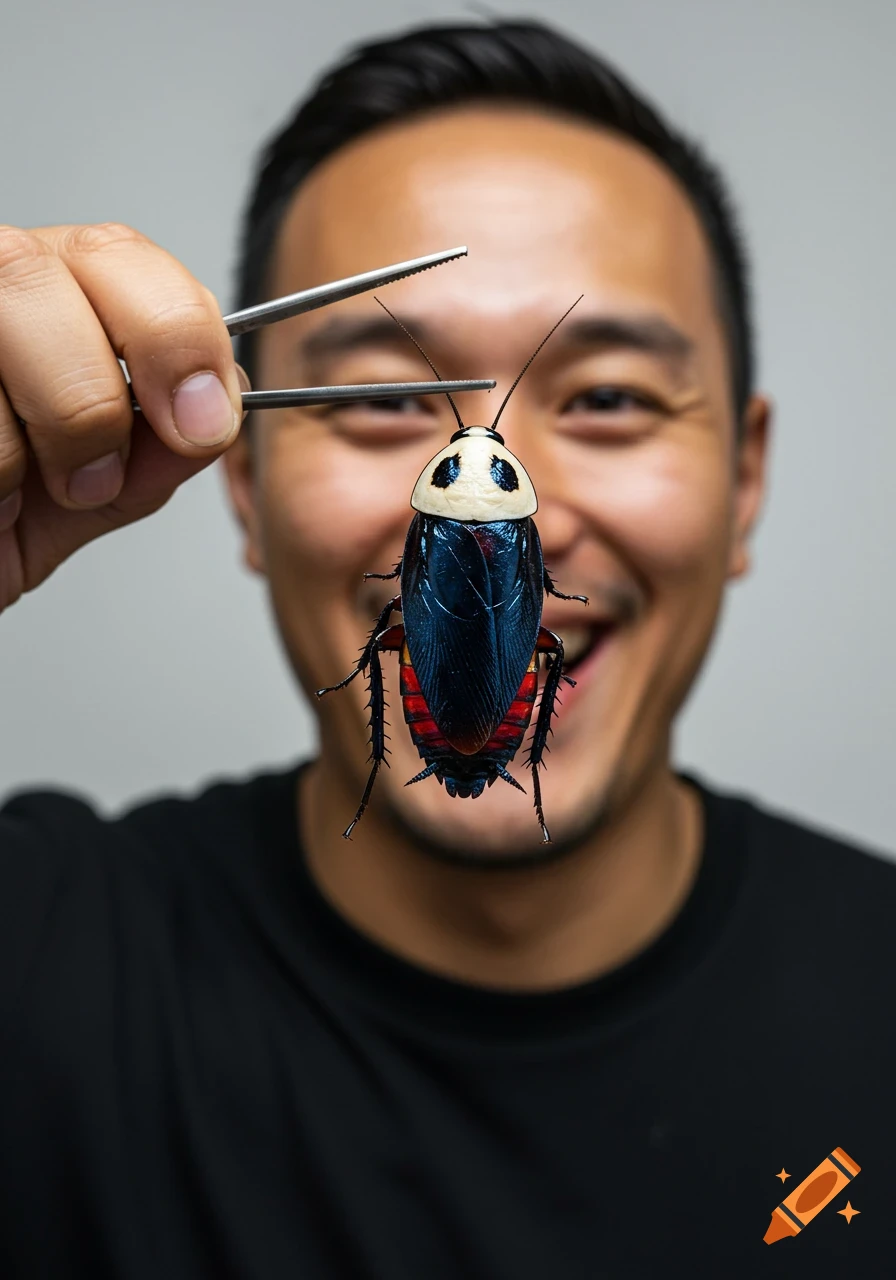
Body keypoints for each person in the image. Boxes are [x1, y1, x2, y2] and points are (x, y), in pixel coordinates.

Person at [0, 18, 893, 1279]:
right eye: (374, 397)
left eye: (611, 398)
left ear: (745, 478)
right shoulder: (35, 962)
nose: (545, 483)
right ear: (239, 480)